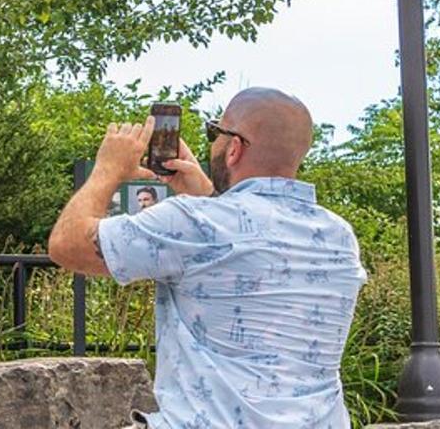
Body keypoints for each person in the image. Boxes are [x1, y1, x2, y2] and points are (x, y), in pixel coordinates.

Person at [46, 88, 366, 428]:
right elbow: (245, 245)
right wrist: (208, 195)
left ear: (234, 148)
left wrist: (107, 169)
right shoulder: (339, 236)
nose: (212, 142)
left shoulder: (193, 222)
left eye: (215, 131)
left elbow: (68, 244)